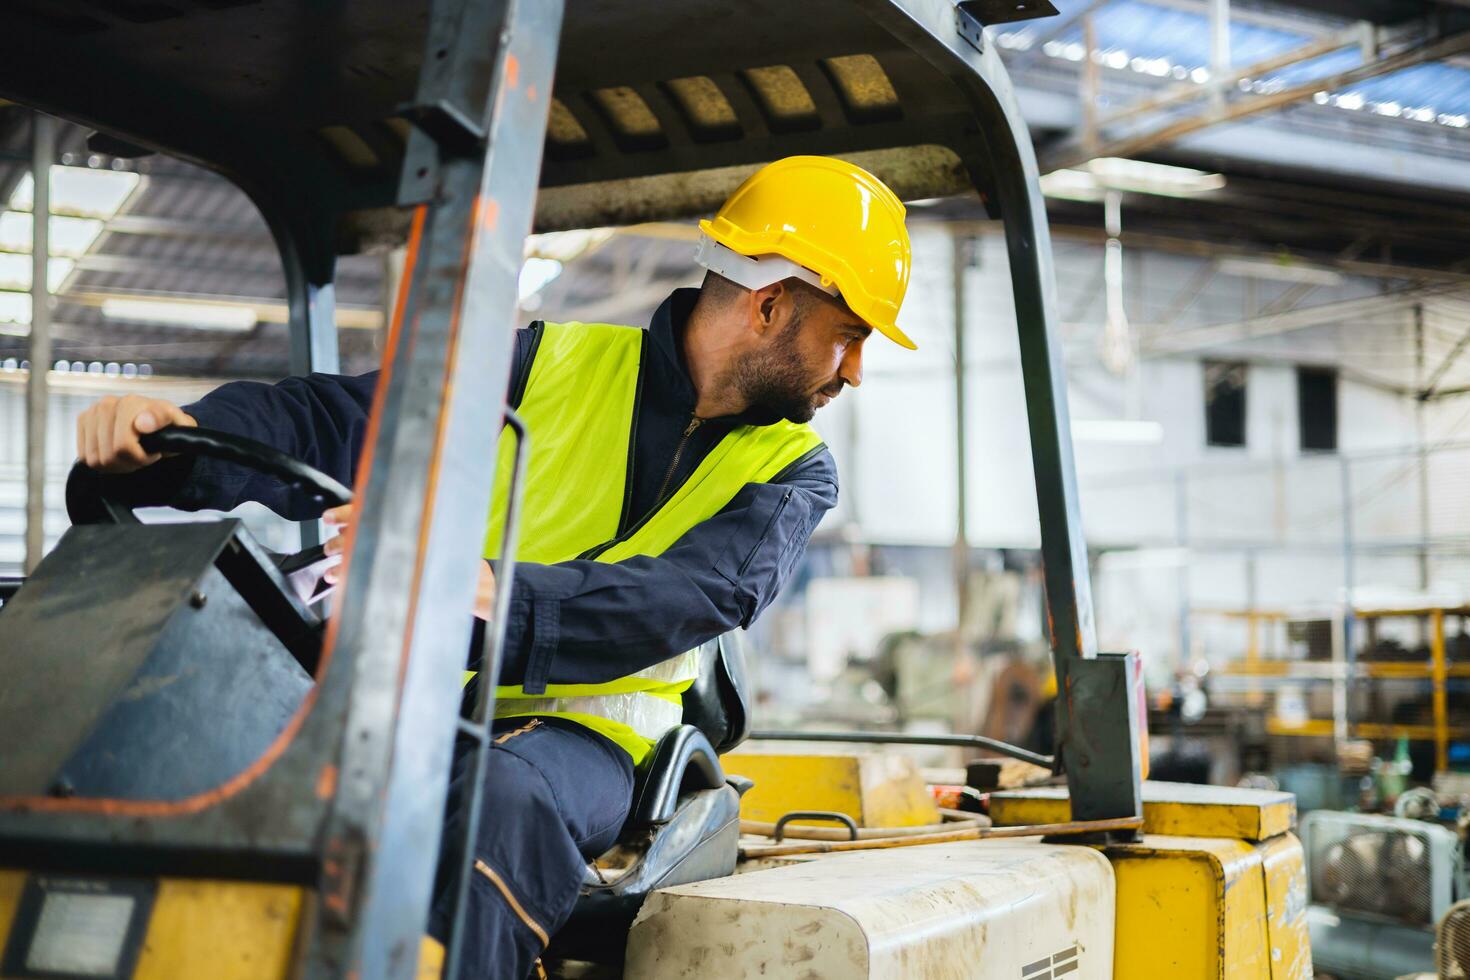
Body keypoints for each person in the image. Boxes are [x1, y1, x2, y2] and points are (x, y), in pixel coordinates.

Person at [70, 155, 914, 979]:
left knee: (494, 802)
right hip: (422, 702)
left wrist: (496, 599)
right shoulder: (543, 363)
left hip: (594, 742)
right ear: (769, 307)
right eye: (849, 338)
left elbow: (694, 594)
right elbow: (341, 420)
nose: (857, 373)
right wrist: (173, 440)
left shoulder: (796, 470)